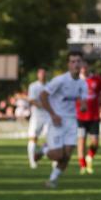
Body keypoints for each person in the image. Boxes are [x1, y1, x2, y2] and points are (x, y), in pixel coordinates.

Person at [40, 53, 87, 188]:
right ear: (68, 64)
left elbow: (83, 101)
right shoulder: (60, 80)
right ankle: (44, 150)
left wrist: (83, 106)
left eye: (78, 61)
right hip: (57, 121)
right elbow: (42, 96)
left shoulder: (83, 83)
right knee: (58, 155)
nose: (76, 64)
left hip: (72, 121)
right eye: (72, 62)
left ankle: (52, 180)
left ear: (82, 64)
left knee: (66, 156)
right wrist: (53, 114)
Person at [75, 61, 101, 175]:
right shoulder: (75, 82)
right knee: (81, 142)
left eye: (85, 67)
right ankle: (83, 166)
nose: (83, 70)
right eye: (81, 68)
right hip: (80, 118)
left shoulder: (96, 80)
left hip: (94, 117)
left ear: (88, 68)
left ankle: (89, 157)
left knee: (95, 143)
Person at [27, 69, 50, 169]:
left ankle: (40, 154)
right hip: (37, 116)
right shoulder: (33, 86)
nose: (42, 76)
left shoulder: (50, 86)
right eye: (41, 74)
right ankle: (32, 161)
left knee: (51, 140)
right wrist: (43, 105)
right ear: (38, 75)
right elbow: (32, 100)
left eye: (44, 74)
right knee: (33, 138)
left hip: (48, 116)